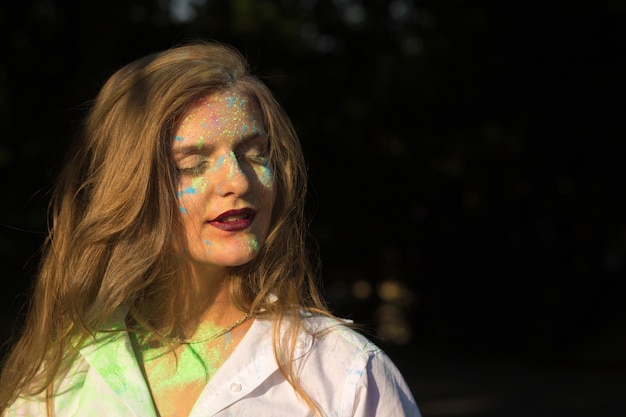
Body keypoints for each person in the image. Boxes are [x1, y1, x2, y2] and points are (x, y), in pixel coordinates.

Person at [0, 41, 420, 417]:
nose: (238, 182)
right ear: (126, 188)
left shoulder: (342, 373)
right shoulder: (60, 380)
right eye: (191, 165)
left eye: (254, 154)